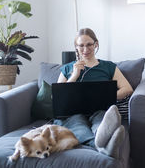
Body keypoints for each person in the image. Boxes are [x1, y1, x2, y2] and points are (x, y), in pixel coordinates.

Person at [54, 28, 133, 158]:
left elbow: (127, 88)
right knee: (79, 127)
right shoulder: (67, 68)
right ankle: (104, 148)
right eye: (81, 45)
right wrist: (74, 76)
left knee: (101, 122)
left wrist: (105, 97)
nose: (85, 49)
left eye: (89, 44)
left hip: (100, 108)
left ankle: (102, 136)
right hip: (74, 112)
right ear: (76, 47)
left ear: (96, 44)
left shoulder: (108, 66)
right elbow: (58, 96)